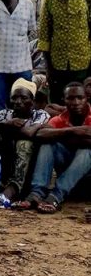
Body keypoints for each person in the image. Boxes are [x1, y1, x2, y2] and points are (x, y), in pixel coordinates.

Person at [13, 82, 91, 213]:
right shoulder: (60, 118)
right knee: (47, 143)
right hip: (67, 172)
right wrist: (74, 132)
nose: (76, 102)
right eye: (70, 98)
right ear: (64, 100)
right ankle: (36, 193)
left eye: (80, 98)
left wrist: (61, 134)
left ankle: (56, 196)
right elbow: (41, 134)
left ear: (86, 98)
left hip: (87, 179)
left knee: (86, 151)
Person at [0, 78, 49, 208]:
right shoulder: (6, 115)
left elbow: (29, 133)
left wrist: (5, 129)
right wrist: (3, 124)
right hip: (6, 160)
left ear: (32, 101)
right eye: (14, 98)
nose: (18, 102)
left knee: (24, 143)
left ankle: (11, 192)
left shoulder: (40, 115)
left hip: (28, 168)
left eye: (23, 98)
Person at [37, 0, 91, 104]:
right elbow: (44, 37)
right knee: (57, 101)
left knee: (80, 103)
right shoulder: (49, 1)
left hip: (83, 63)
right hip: (57, 65)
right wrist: (48, 69)